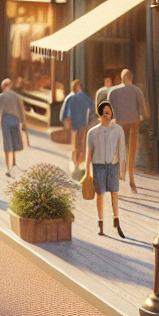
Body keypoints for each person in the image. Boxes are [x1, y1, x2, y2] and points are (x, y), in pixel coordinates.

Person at [85, 101, 126, 239]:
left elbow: (121, 150)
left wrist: (121, 168)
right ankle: (100, 222)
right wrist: (87, 172)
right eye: (105, 113)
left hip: (113, 165)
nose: (108, 115)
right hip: (99, 166)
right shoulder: (93, 132)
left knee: (114, 192)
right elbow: (89, 153)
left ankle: (116, 219)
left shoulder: (118, 130)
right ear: (100, 115)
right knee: (100, 194)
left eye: (110, 112)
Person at [107, 68, 148, 192]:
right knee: (132, 150)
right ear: (132, 78)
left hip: (118, 122)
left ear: (121, 78)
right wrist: (144, 117)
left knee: (116, 149)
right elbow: (143, 110)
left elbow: (108, 109)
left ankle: (117, 175)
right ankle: (131, 179)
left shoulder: (113, 91)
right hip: (133, 123)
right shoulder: (137, 91)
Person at [0, 78, 27, 176]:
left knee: (7, 143)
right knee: (14, 141)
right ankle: (14, 163)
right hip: (15, 120)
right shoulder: (16, 96)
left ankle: (8, 168)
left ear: (3, 87)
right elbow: (21, 110)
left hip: (5, 120)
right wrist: (23, 123)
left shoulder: (0, 97)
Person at [60, 79, 94, 172]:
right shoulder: (82, 96)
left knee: (76, 142)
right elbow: (92, 105)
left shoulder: (71, 97)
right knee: (80, 142)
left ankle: (76, 161)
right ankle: (78, 162)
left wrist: (66, 120)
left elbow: (66, 111)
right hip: (81, 122)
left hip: (75, 123)